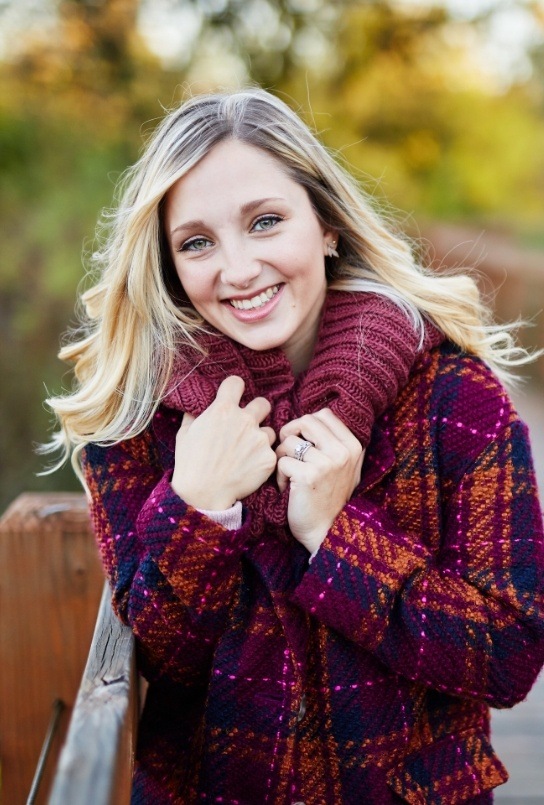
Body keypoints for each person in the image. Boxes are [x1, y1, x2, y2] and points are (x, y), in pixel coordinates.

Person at [45, 89, 544, 804]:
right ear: (169, 266)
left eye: (266, 222)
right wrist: (197, 504)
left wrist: (338, 538)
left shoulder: (453, 399)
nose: (239, 268)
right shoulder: (135, 418)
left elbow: (511, 652)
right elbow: (155, 661)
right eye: (197, 242)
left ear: (328, 225)